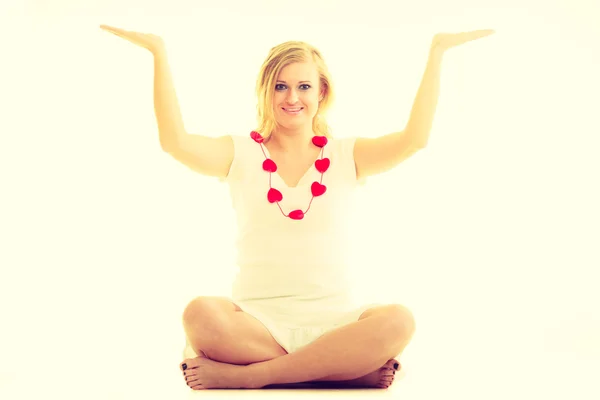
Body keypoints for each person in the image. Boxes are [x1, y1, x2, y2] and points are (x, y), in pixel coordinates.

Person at [100, 25, 494, 390]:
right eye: (280, 87)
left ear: (321, 92)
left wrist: (437, 51)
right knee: (199, 315)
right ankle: (343, 371)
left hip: (337, 322)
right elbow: (176, 143)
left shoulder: (347, 154)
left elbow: (415, 140)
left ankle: (254, 377)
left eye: (304, 86)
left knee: (398, 321)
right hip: (256, 324)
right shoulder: (239, 152)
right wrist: (159, 52)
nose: (292, 98)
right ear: (265, 92)